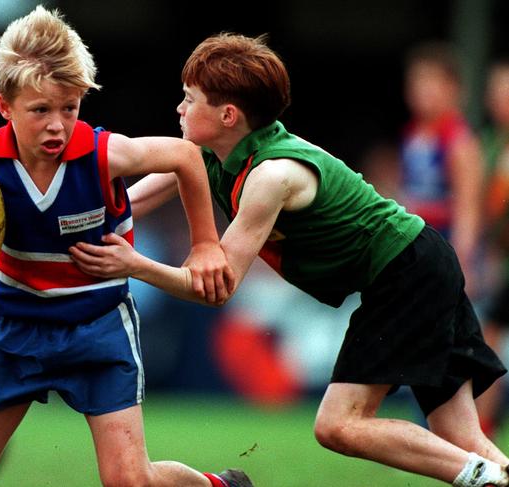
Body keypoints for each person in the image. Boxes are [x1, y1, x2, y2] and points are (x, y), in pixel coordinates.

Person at [69, 33, 509, 486]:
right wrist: (60, 223)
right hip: (420, 263)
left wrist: (134, 264)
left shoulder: (271, 176)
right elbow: (125, 206)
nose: (179, 108)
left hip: (407, 273)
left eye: (188, 99)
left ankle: (483, 477)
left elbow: (219, 286)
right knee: (463, 436)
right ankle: (489, 471)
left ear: (227, 115)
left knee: (339, 425)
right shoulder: (212, 150)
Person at [0, 7, 252, 487]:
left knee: (129, 481)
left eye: (69, 108)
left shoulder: (103, 153)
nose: (57, 125)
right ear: (5, 106)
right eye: (40, 110)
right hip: (16, 328)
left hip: (97, 328)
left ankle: (218, 484)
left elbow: (185, 155)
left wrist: (206, 245)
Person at [399, 41, 485, 297]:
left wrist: (461, 262)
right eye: (417, 82)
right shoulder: (412, 135)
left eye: (431, 82)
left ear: (453, 89)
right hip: (417, 245)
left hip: (445, 246)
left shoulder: (458, 140)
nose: (422, 90)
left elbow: (468, 208)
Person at [475, 59, 509, 438]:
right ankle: (483, 428)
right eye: (497, 93)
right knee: (487, 343)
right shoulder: (488, 145)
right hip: (502, 264)